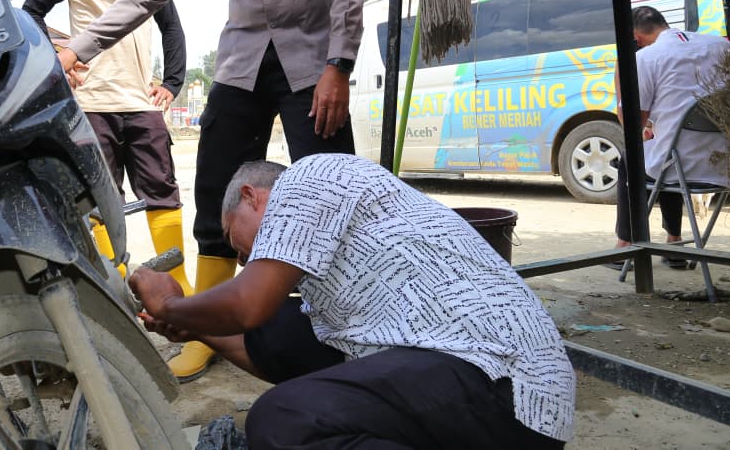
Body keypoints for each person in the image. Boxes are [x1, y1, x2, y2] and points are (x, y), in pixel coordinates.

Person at [56, 0, 365, 380]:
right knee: (215, 190)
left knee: (330, 194)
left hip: (312, 63)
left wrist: (340, 67)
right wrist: (78, 47)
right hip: (242, 63)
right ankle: (209, 328)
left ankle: (346, 323)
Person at [130, 154, 576, 448]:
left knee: (283, 422)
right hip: (465, 376)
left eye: (235, 239)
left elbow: (249, 304)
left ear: (252, 196)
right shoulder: (333, 272)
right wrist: (195, 325)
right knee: (281, 329)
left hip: (509, 387)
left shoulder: (309, 178)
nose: (244, 259)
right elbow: (258, 333)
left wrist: (171, 304)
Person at [23, 0, 193, 294]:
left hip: (141, 102)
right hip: (91, 104)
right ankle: (114, 282)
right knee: (100, 196)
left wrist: (172, 83)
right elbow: (30, 12)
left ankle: (178, 282)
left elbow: (171, 27)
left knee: (162, 190)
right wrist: (59, 57)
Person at [610, 6, 730, 269]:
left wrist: (621, 72)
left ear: (635, 39)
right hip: (726, 164)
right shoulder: (722, 47)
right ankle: (674, 243)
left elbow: (632, 125)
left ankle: (624, 247)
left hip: (680, 165)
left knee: (636, 156)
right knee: (666, 152)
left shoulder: (647, 58)